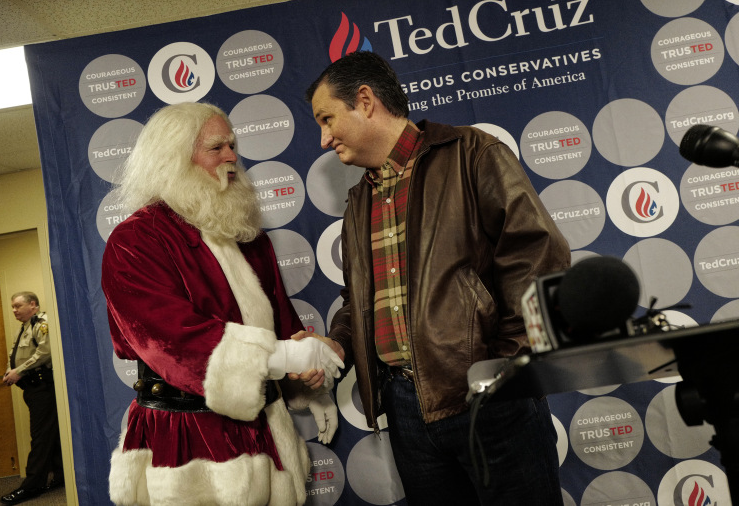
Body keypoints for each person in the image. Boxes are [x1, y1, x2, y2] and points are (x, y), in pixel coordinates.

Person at [301, 51, 571, 505]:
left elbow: (539, 257)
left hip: (492, 399)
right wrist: (337, 344)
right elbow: (357, 302)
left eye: (327, 119)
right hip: (406, 415)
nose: (324, 139)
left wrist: (504, 366)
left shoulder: (473, 153)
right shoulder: (358, 201)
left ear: (365, 101)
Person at [101, 102, 343, 506]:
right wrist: (286, 356)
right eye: (217, 148)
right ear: (173, 158)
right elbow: (170, 341)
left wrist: (307, 382)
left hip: (266, 430)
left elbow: (282, 326)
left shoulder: (249, 237)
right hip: (186, 439)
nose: (232, 157)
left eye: (232, 145)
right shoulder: (135, 242)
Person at [1, 291, 64, 505]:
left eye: (18, 306)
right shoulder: (26, 327)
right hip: (33, 389)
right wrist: (10, 370)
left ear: (33, 305)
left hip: (43, 388)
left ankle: (32, 486)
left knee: (40, 437)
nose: (14, 311)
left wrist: (19, 371)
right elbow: (17, 353)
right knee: (49, 434)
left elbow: (45, 353)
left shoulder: (42, 323)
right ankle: (61, 476)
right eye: (12, 307)